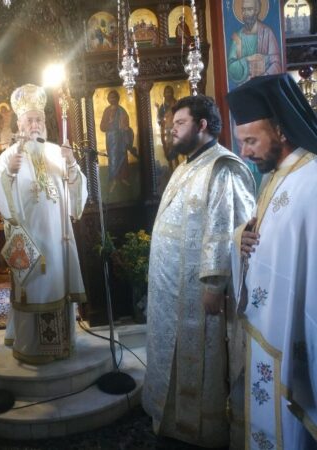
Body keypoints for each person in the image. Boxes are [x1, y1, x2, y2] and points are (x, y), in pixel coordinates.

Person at [142, 94, 256, 448]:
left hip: (198, 289)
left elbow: (227, 228)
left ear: (202, 125)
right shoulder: (185, 165)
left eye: (180, 123)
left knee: (202, 359)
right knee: (170, 350)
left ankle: (202, 431)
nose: (172, 130)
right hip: (171, 287)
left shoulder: (222, 167)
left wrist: (214, 284)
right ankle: (172, 418)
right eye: (172, 124)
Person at [227, 73, 317, 449]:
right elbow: (266, 234)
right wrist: (241, 237)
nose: (245, 152)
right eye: (241, 142)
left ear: (280, 129)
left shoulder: (312, 180)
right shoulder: (274, 174)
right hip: (265, 333)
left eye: (251, 141)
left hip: (293, 335)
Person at [0, 83, 88, 364]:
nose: (35, 124)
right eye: (30, 120)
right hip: (31, 239)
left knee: (58, 285)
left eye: (39, 119)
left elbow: (77, 193)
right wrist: (9, 173)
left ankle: (61, 345)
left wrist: (72, 164)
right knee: (34, 289)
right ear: (19, 123)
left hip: (59, 238)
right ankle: (31, 349)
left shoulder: (58, 152)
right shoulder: (9, 156)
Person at [227, 0, 282, 85]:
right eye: (243, 9)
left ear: (257, 11)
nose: (245, 13)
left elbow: (277, 63)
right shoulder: (237, 37)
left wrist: (264, 76)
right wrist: (248, 59)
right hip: (243, 88)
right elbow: (231, 67)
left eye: (249, 9)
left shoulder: (267, 33)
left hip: (264, 86)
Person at [99, 89, 134, 191]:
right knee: (113, 158)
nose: (112, 99)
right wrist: (109, 122)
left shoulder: (122, 111)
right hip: (111, 139)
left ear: (118, 98)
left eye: (114, 97)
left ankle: (123, 178)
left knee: (123, 157)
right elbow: (102, 127)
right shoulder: (107, 111)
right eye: (110, 97)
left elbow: (126, 125)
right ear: (108, 99)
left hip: (122, 138)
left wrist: (125, 127)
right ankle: (113, 180)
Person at [156, 85, 180, 172]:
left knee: (175, 152)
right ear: (164, 94)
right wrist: (161, 119)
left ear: (172, 93)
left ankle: (178, 170)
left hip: (176, 130)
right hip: (166, 132)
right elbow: (159, 120)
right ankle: (170, 171)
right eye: (166, 92)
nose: (168, 94)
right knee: (168, 152)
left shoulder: (176, 104)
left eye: (169, 92)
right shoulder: (162, 107)